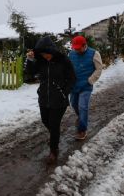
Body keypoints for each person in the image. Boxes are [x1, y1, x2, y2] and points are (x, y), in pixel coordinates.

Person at [26, 36, 76, 164]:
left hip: (59, 100)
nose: (45, 56)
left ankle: (54, 150)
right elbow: (30, 74)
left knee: (54, 124)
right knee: (45, 120)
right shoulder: (41, 61)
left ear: (52, 50)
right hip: (44, 97)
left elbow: (72, 78)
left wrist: (64, 92)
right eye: (42, 54)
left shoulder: (63, 60)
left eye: (47, 53)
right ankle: (55, 135)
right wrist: (30, 60)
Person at [69, 35, 103, 140]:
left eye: (79, 48)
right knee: (74, 104)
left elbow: (99, 69)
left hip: (86, 86)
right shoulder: (71, 53)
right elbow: (68, 67)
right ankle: (80, 117)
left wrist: (90, 80)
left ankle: (82, 130)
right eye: (76, 49)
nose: (77, 50)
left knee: (83, 106)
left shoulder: (94, 53)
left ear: (85, 45)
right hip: (74, 85)